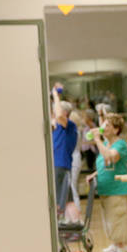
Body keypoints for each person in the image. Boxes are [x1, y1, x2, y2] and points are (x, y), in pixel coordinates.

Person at [90, 113, 127, 252]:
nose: (103, 128)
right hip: (105, 189)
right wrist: (95, 174)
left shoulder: (120, 144)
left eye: (107, 125)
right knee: (109, 219)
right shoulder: (107, 144)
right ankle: (116, 244)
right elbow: (105, 164)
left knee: (117, 218)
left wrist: (97, 139)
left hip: (117, 189)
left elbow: (110, 157)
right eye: (103, 125)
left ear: (116, 129)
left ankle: (122, 246)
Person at [51, 85, 78, 219]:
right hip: (59, 166)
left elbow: (59, 114)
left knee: (61, 203)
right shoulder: (57, 128)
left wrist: (55, 95)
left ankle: (73, 229)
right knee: (67, 201)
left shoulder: (70, 126)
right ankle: (75, 226)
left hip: (60, 166)